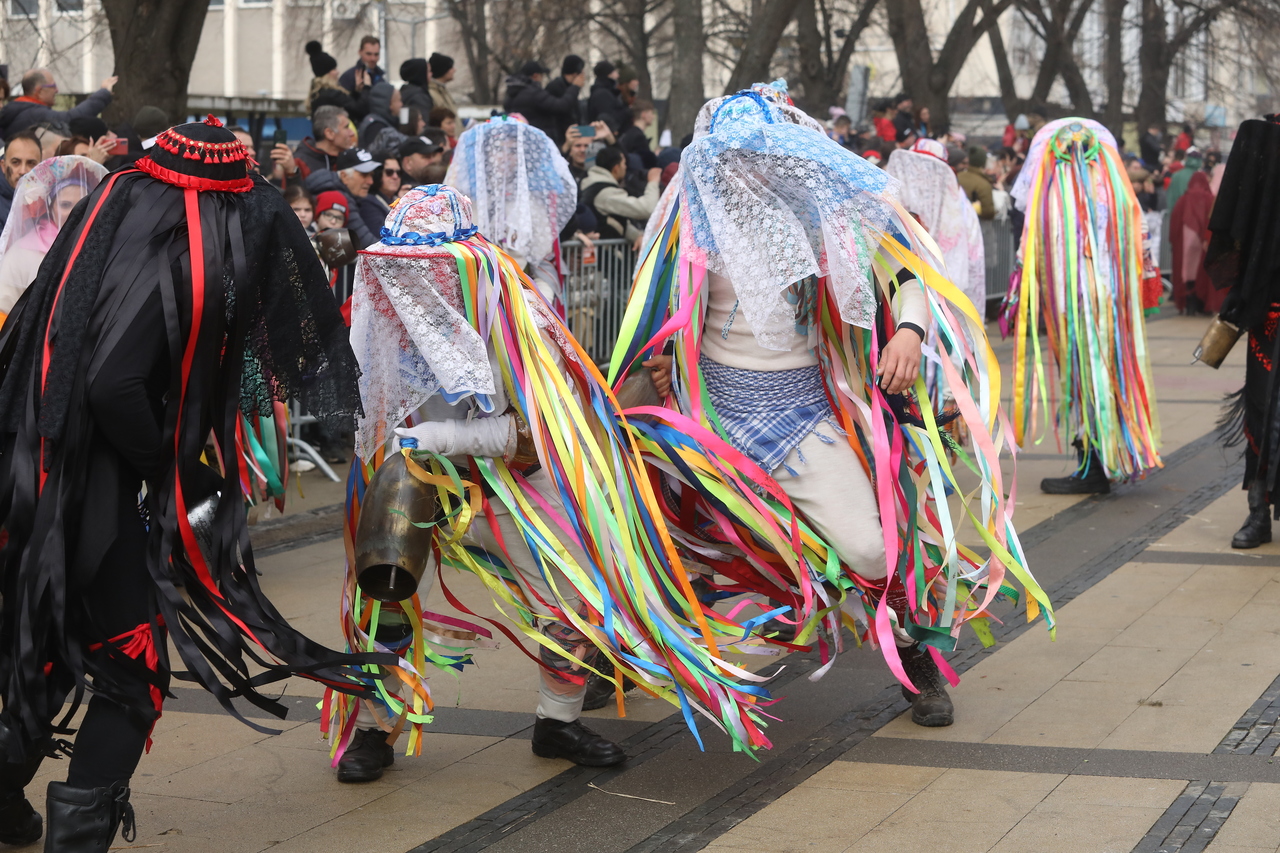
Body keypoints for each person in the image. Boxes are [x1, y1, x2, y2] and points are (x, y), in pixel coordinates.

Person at [612, 80, 1050, 733]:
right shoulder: (687, 223)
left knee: (876, 550)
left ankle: (915, 654)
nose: (742, 168)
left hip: (804, 416)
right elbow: (650, 319)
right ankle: (596, 668)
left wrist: (909, 331)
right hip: (709, 427)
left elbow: (906, 276)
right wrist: (655, 365)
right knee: (635, 532)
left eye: (755, 154)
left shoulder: (826, 213)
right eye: (729, 157)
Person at [0, 114, 381, 850]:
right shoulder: (165, 252)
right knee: (127, 672)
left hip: (52, 479)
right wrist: (177, 470)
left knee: (55, 640)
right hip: (86, 492)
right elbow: (115, 384)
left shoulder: (115, 226)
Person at [1009, 118, 1162, 494]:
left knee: (1082, 378)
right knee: (1103, 375)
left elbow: (1031, 246)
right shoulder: (1114, 191)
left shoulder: (1052, 194)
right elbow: (1138, 242)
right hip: (1110, 303)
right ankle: (1106, 458)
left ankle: (1094, 466)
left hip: (1076, 306)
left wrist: (1021, 294)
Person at [1202, 116, 1280, 547]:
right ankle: (1258, 511)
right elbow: (1238, 224)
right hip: (1272, 309)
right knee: (1264, 409)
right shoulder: (1266, 138)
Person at [445, 116, 577, 306]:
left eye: (513, 151)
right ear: (487, 153)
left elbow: (544, 263)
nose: (505, 157)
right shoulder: (464, 201)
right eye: (499, 149)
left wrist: (538, 306)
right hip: (470, 301)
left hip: (519, 304)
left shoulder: (531, 205)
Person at [0, 155, 107, 320]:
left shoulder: (101, 245)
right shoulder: (22, 252)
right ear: (50, 208)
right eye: (65, 205)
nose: (75, 212)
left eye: (82, 204)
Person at [886, 138, 985, 313]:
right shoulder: (898, 195)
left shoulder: (956, 202)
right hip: (902, 283)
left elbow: (968, 254)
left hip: (942, 290)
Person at [0, 69, 115, 140]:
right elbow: (72, 119)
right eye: (53, 86)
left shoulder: (18, 109)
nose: (57, 90)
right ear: (39, 91)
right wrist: (104, 93)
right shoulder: (37, 114)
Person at [578, 145, 659, 243]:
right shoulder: (606, 192)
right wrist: (653, 182)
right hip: (605, 254)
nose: (625, 168)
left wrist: (637, 236)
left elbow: (617, 221)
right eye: (624, 164)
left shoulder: (591, 183)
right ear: (616, 168)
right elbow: (646, 208)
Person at [304, 146, 380, 249]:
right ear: (344, 176)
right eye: (364, 175)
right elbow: (370, 246)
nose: (370, 181)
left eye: (371, 175)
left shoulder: (342, 191)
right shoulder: (339, 197)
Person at [1170, 170, 1219, 315]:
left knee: (1186, 273)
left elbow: (1173, 226)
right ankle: (1202, 305)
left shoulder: (1182, 201)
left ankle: (1189, 305)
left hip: (1184, 246)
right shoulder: (1210, 199)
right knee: (1202, 273)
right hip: (1204, 245)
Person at [503, 60, 582, 142]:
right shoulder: (534, 93)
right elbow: (561, 106)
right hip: (538, 139)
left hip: (520, 139)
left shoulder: (511, 94)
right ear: (535, 76)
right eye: (541, 76)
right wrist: (575, 87)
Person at [305, 41, 368, 120]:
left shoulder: (317, 94)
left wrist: (356, 92)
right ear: (326, 74)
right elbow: (359, 111)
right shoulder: (332, 94)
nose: (337, 72)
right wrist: (367, 88)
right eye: (334, 69)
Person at [293, 105, 356, 178]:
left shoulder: (350, 159)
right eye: (346, 127)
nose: (352, 133)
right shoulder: (300, 162)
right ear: (329, 133)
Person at [0, 131, 42, 225]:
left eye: (31, 163)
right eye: (16, 162)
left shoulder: (49, 203)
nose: (23, 171)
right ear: (3, 166)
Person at [544, 54, 587, 145]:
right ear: (576, 73)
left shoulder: (570, 88)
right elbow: (563, 107)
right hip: (560, 137)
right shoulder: (555, 87)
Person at [356, 156, 400, 237]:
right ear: (378, 174)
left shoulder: (399, 199)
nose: (395, 176)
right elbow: (381, 235)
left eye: (399, 173)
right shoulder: (368, 202)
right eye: (389, 172)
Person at [358, 82, 401, 151]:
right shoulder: (376, 126)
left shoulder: (385, 121)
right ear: (389, 103)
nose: (401, 104)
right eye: (399, 100)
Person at [617, 99, 658, 170]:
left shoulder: (628, 133)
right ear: (644, 115)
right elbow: (647, 162)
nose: (653, 116)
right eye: (651, 113)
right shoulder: (639, 137)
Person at [957, 146, 996, 220]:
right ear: (983, 163)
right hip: (976, 225)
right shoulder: (983, 184)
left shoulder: (957, 177)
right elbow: (988, 212)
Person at [587, 60, 626, 126]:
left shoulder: (607, 91)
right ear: (608, 74)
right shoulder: (602, 94)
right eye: (614, 71)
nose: (618, 75)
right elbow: (608, 118)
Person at [427, 52, 458, 116]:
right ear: (442, 70)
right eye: (451, 67)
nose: (454, 70)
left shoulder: (443, 91)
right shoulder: (431, 93)